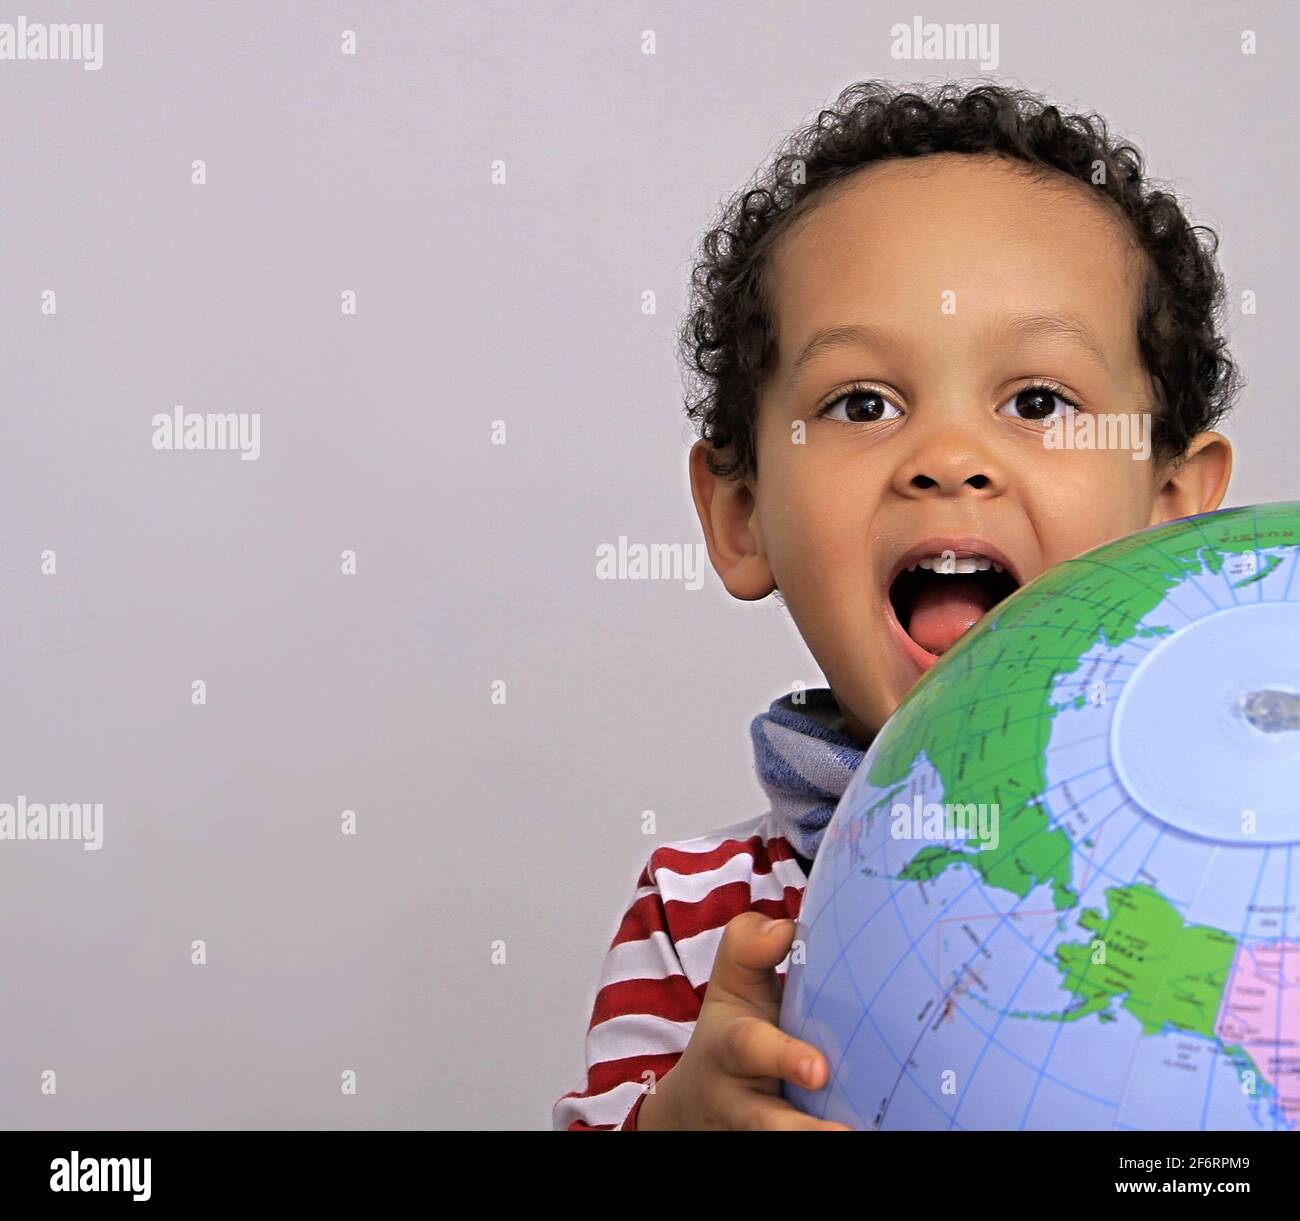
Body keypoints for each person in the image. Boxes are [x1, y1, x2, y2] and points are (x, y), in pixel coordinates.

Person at [554, 79, 1238, 1131]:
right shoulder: (699, 919)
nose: (949, 459)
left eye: (1037, 402)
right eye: (861, 403)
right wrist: (684, 1118)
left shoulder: (1259, 866)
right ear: (741, 516)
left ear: (1173, 512)